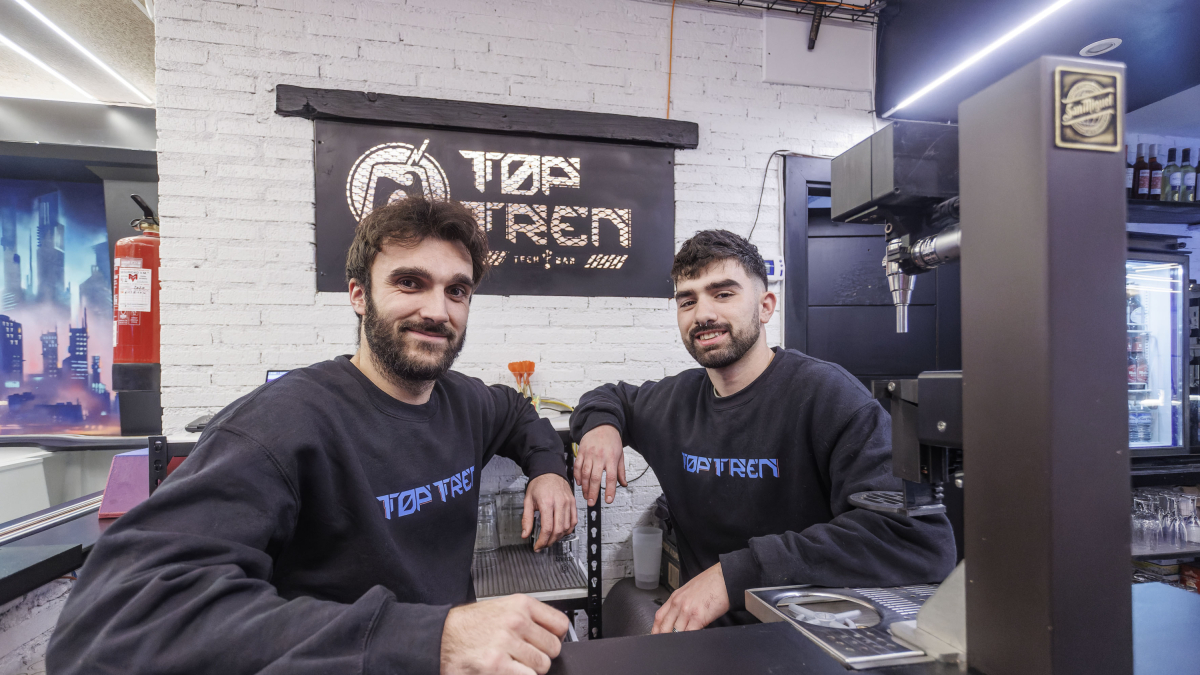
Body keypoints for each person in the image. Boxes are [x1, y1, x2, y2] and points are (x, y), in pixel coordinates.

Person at [47, 196, 578, 675]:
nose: (437, 311)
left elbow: (517, 412)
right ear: (358, 295)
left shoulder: (465, 403)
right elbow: (108, 623)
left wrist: (549, 469)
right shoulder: (281, 424)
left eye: (456, 291)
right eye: (410, 282)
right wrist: (433, 639)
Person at [570, 229, 956, 634]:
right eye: (688, 300)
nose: (702, 313)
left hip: (811, 640)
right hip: (707, 642)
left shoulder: (827, 396)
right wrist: (600, 428)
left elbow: (918, 538)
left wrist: (733, 574)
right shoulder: (675, 401)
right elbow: (607, 397)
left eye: (723, 294)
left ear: (766, 306)